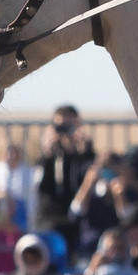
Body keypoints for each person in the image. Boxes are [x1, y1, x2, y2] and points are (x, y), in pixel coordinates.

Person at [34, 107, 94, 250]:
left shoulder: (84, 154)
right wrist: (47, 153)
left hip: (77, 219)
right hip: (49, 218)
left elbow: (90, 175)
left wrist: (82, 149)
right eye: (60, 126)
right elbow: (39, 186)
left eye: (70, 126)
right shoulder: (49, 156)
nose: (65, 131)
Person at [0, 140, 39, 232]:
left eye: (14, 152)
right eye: (8, 152)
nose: (11, 156)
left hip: (21, 213)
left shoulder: (29, 172)